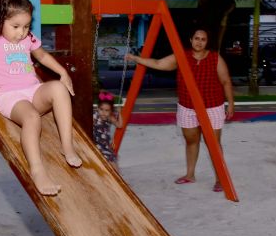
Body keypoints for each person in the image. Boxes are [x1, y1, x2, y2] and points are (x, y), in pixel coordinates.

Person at [0, 0, 81, 196]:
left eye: (26, 26)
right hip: (10, 97)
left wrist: (63, 72)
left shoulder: (27, 38)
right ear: (0, 20)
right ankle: (37, 169)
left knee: (58, 88)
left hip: (33, 91)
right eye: (15, 26)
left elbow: (42, 56)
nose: (21, 32)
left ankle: (67, 146)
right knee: (32, 117)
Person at [125, 28, 234, 192]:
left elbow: (226, 81)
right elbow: (158, 63)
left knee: (214, 144)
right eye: (196, 38)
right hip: (187, 107)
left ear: (207, 42)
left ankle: (220, 179)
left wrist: (231, 104)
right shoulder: (181, 57)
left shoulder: (214, 58)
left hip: (211, 106)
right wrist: (135, 58)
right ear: (191, 40)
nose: (199, 42)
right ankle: (190, 175)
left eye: (203, 39)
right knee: (191, 141)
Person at [93, 90, 123, 170]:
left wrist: (120, 114)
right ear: (97, 108)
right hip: (96, 144)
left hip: (105, 146)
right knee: (108, 164)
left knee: (114, 166)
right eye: (101, 109)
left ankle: (117, 179)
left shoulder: (110, 117)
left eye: (107, 110)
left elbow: (119, 125)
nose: (103, 112)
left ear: (110, 111)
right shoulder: (94, 116)